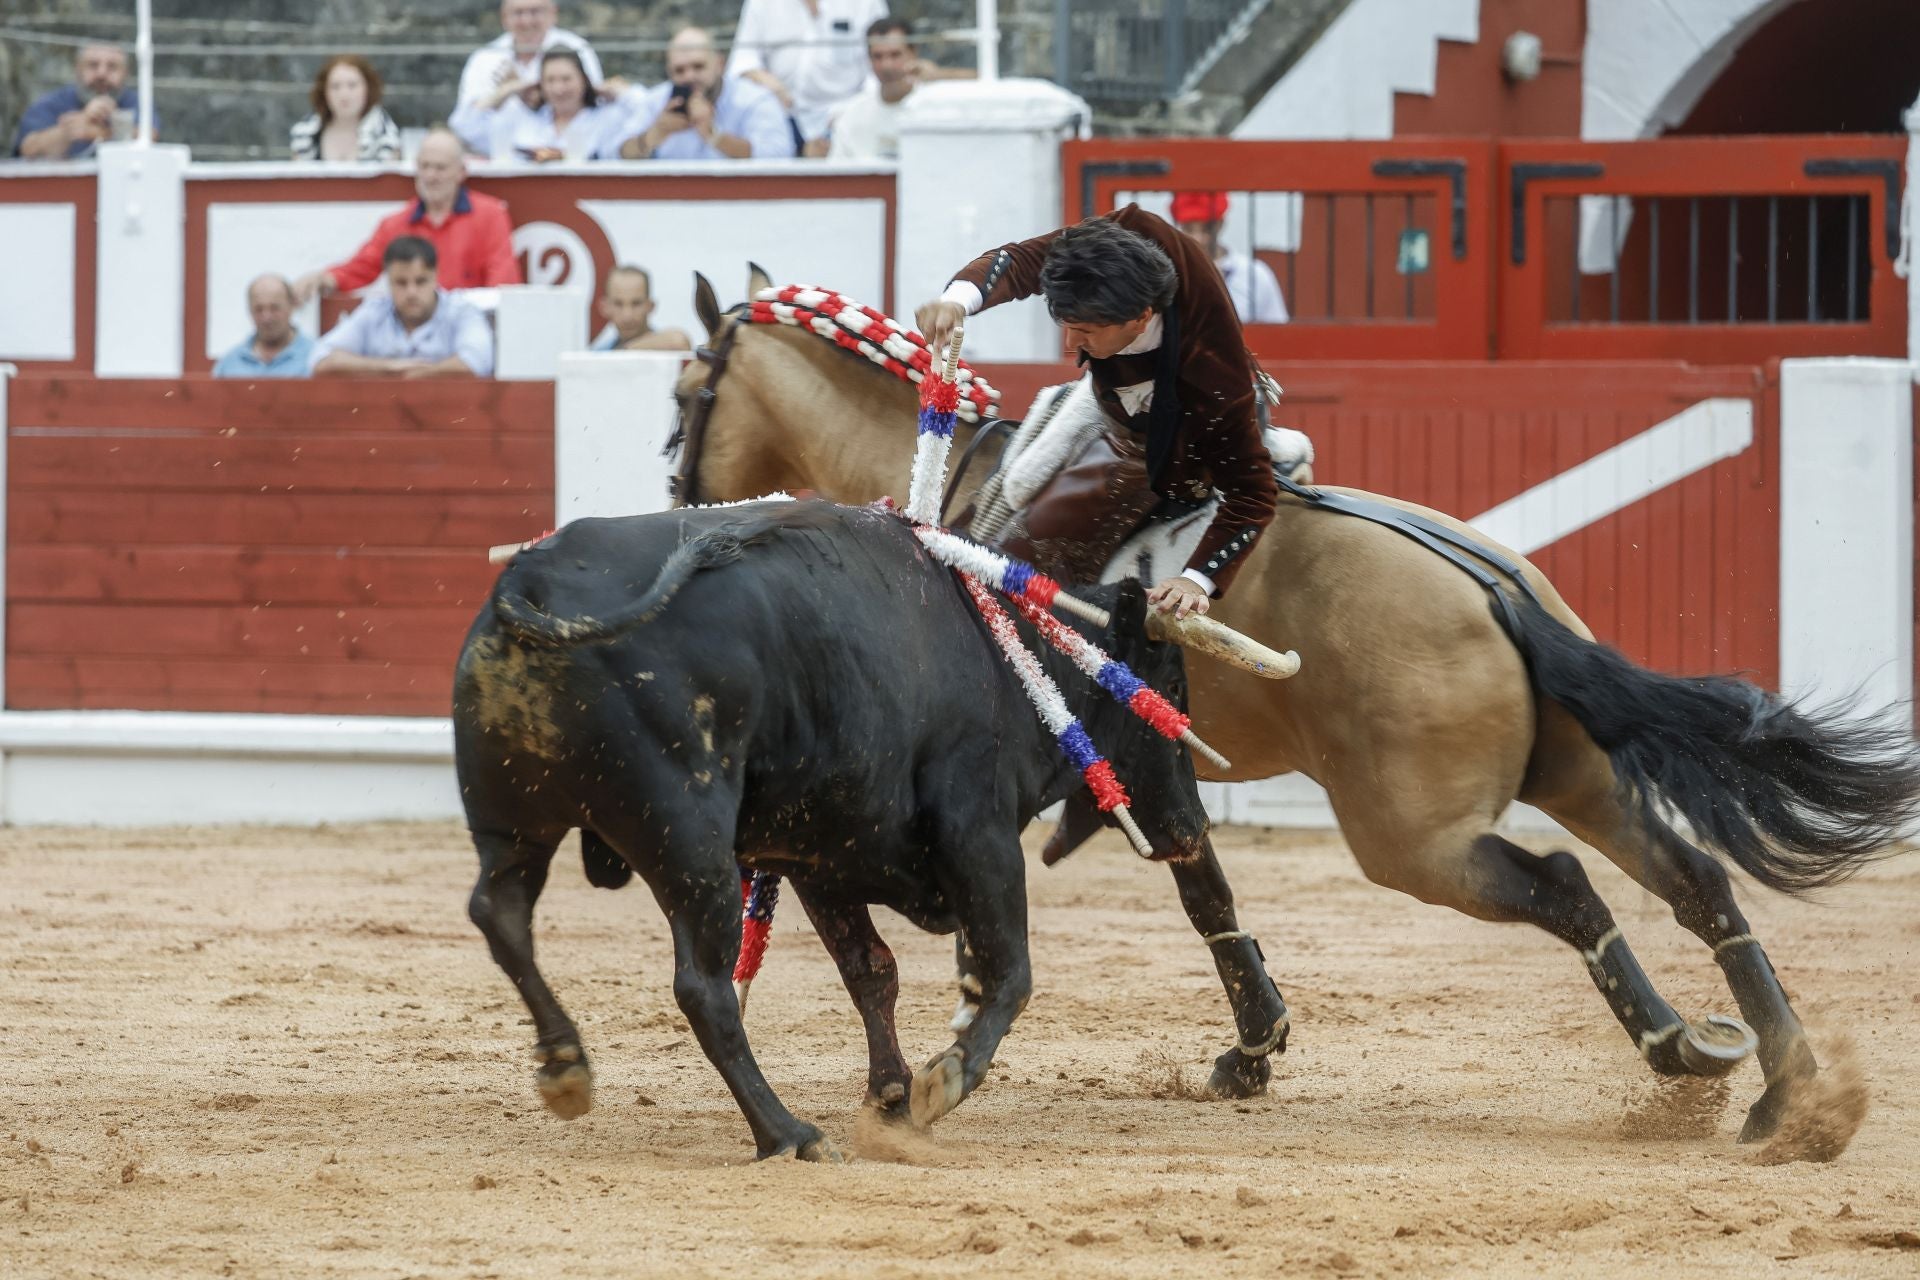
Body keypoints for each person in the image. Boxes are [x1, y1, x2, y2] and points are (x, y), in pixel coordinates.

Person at [916, 206, 1279, 617]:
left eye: (1086, 331)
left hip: (1177, 437)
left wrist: (1193, 579)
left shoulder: (1212, 374)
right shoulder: (1120, 238)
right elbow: (1024, 259)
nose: (1071, 344)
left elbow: (1252, 494)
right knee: (1007, 486)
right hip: (1105, 397)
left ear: (1142, 318)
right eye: (1066, 325)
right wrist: (956, 302)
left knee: (1024, 553)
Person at [292, 129, 521, 303]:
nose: (430, 176)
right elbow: (362, 267)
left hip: (470, 328)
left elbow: (503, 283)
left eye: (440, 168)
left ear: (461, 172)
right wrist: (326, 278)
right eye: (424, 166)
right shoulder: (396, 224)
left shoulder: (490, 215)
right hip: (413, 329)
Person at [309, 238, 494, 378]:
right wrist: (387, 367)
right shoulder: (374, 312)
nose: (411, 292)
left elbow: (478, 362)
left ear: (436, 277)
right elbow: (319, 359)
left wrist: (419, 374)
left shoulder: (461, 311)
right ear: (387, 280)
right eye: (401, 283)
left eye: (420, 281)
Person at [727, 0, 886, 155]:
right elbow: (741, 61)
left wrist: (851, 112)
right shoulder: (761, 3)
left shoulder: (867, 3)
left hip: (846, 115)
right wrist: (767, 82)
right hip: (782, 115)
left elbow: (881, 65)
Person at [617, 28, 794, 161]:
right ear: (669, 72)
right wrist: (653, 135)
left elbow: (778, 156)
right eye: (679, 70)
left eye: (698, 66)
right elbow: (616, 153)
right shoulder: (656, 102)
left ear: (719, 64)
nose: (689, 76)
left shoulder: (754, 99)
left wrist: (713, 136)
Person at [453, 0, 603, 152]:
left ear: (553, 14)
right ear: (504, 17)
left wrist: (535, 100)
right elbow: (464, 122)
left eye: (535, 12)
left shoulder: (577, 49)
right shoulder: (485, 57)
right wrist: (503, 93)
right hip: (498, 155)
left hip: (567, 150)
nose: (526, 21)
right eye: (518, 13)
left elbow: (593, 106)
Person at [450, 48, 627, 162]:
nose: (559, 89)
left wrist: (623, 94)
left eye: (566, 79)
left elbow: (646, 120)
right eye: (550, 80)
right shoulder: (524, 120)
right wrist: (506, 91)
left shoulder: (607, 119)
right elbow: (464, 126)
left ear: (584, 80)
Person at [11, 42, 156, 159]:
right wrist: (71, 129)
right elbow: (28, 149)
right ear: (77, 69)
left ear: (126, 73)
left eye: (112, 67)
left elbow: (151, 137)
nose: (101, 74)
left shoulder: (134, 101)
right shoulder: (52, 102)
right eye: (93, 65)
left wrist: (100, 129)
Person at [1170, 191, 1289, 326]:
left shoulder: (1255, 275)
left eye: (1207, 228)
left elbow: (1278, 334)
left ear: (1221, 224)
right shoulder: (1167, 274)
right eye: (1189, 228)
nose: (1199, 238)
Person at [825, 18, 916, 162]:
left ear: (913, 53)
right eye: (878, 57)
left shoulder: (931, 108)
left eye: (895, 55)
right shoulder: (850, 116)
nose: (887, 66)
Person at [290, 54, 402, 162]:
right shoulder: (304, 135)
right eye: (335, 86)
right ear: (324, 92)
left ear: (368, 89)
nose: (344, 94)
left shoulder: (386, 136)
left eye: (352, 85)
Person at [212, 275, 314, 378]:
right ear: (250, 311)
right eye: (259, 309)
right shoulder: (230, 364)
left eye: (274, 308)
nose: (267, 318)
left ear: (291, 306)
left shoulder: (314, 358)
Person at [589, 266, 691, 351]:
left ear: (650, 306)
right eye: (618, 304)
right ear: (604, 307)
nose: (627, 316)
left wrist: (623, 352)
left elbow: (679, 341)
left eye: (636, 304)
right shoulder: (599, 353)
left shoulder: (668, 346)